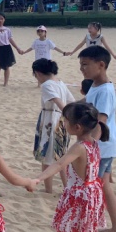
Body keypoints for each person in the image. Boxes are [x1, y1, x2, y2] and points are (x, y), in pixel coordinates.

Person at [33, 103, 110, 232]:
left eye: (66, 120)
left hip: (78, 195)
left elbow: (59, 164)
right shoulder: (94, 142)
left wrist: (39, 178)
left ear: (77, 127)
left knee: (63, 230)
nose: (64, 123)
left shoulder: (79, 147)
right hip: (93, 193)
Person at [78, 45, 116, 232]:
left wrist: (89, 145)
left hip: (102, 146)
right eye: (80, 65)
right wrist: (71, 107)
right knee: (104, 184)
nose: (82, 69)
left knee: (95, 185)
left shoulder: (106, 90)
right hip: (104, 146)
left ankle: (92, 223)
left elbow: (101, 121)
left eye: (85, 64)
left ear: (101, 65)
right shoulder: (95, 85)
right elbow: (87, 100)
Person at [31, 59, 76, 193]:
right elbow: (71, 101)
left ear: (38, 73)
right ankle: (67, 187)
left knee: (46, 156)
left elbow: (58, 102)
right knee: (61, 155)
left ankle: (48, 189)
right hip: (62, 120)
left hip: (51, 120)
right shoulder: (60, 83)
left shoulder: (46, 85)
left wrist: (69, 116)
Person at [0, 13, 23, 87]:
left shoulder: (7, 29)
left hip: (6, 48)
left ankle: (6, 83)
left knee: (6, 66)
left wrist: (17, 48)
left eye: (2, 19)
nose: (0, 20)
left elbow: (10, 39)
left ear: (4, 20)